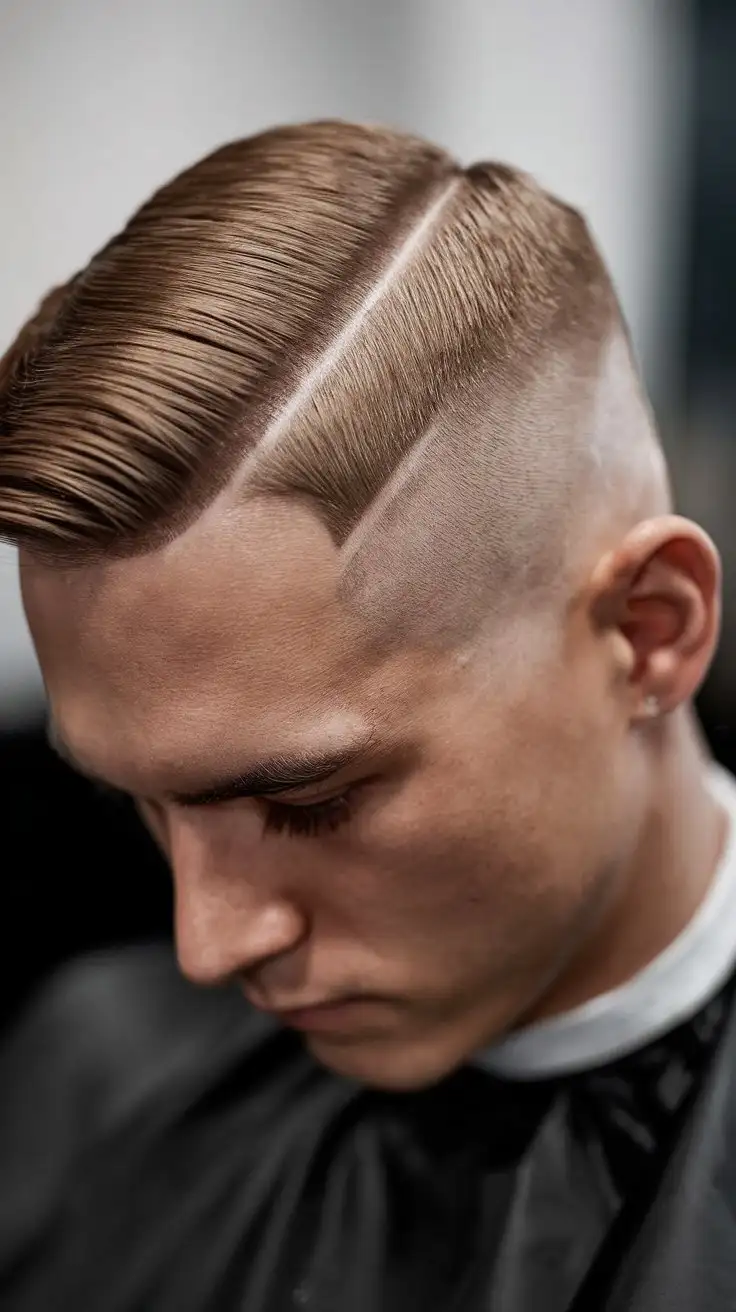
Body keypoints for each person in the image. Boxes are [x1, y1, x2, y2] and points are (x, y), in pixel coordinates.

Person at [0, 119, 734, 1312]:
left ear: (647, 631)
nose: (210, 944)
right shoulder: (82, 1085)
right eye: (134, 797)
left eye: (308, 801)